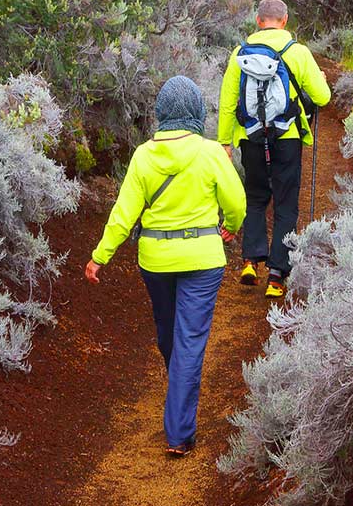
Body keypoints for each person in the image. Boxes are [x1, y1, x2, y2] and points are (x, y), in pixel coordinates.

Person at [85, 75, 246, 456]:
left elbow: (124, 213)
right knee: (188, 340)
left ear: (161, 113)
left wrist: (100, 256)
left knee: (167, 333)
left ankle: (179, 425)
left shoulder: (144, 156)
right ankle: (180, 427)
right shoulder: (209, 153)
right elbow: (237, 202)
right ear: (194, 112)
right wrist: (231, 228)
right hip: (203, 260)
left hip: (155, 260)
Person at [217, 0, 331, 298]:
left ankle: (250, 261)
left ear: (258, 20)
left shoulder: (239, 53)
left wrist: (224, 142)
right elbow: (322, 98)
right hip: (287, 137)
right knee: (285, 204)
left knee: (255, 198)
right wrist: (318, 80)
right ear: (285, 20)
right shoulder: (298, 52)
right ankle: (277, 276)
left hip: (251, 137)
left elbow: (228, 102)